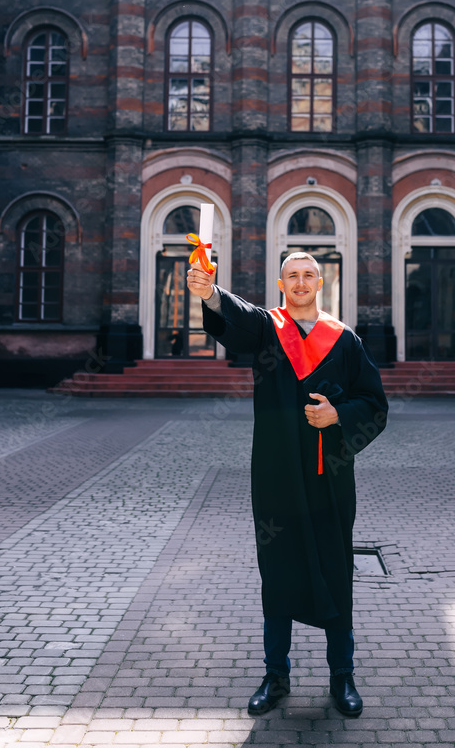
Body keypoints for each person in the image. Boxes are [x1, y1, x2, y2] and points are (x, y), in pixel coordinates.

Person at [186, 251, 388, 718]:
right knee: (277, 569)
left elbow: (374, 403)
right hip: (276, 474)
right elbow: (234, 317)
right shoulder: (267, 329)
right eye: (292, 276)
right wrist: (210, 293)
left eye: (308, 276)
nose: (300, 282)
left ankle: (343, 676)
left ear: (321, 282)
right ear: (281, 284)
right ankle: (275, 674)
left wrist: (340, 415)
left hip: (330, 475)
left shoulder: (345, 340)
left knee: (336, 569)